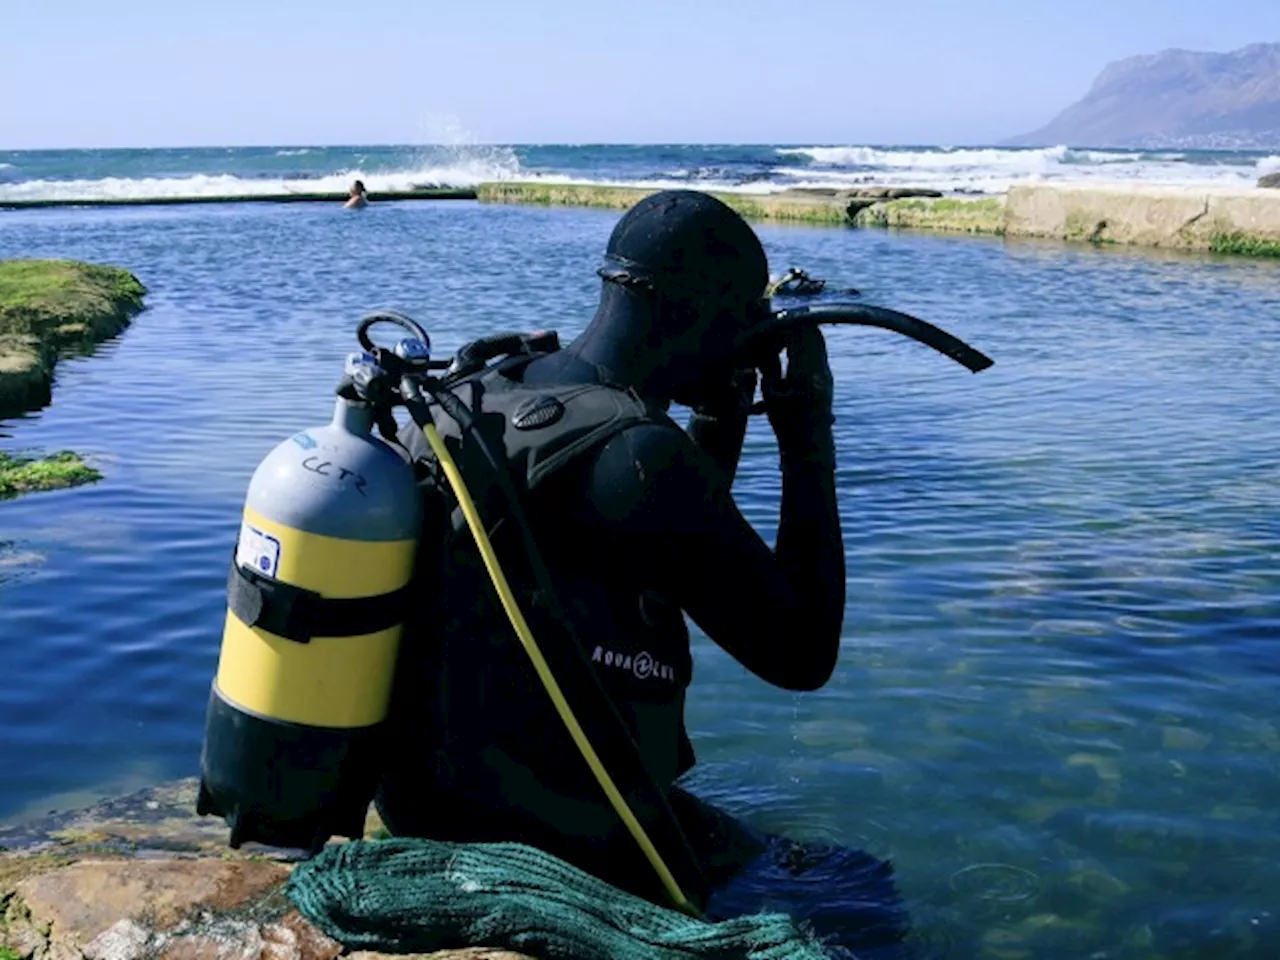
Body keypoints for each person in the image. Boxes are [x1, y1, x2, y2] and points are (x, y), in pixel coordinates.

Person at [377, 189, 908, 955]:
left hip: (435, 791)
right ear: (696, 313)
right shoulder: (639, 457)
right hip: (545, 825)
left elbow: (660, 557)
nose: (749, 343)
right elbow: (801, 654)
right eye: (741, 320)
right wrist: (807, 436)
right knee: (859, 894)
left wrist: (718, 420)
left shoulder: (492, 386)